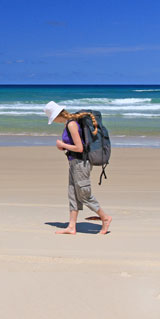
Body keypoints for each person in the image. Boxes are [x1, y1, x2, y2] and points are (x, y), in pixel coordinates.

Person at [44, 101, 112, 235]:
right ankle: (71, 227)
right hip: (74, 163)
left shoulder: (72, 124)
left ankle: (105, 218)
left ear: (58, 115)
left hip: (81, 164)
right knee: (72, 194)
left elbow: (79, 148)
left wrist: (62, 145)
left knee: (84, 195)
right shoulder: (70, 123)